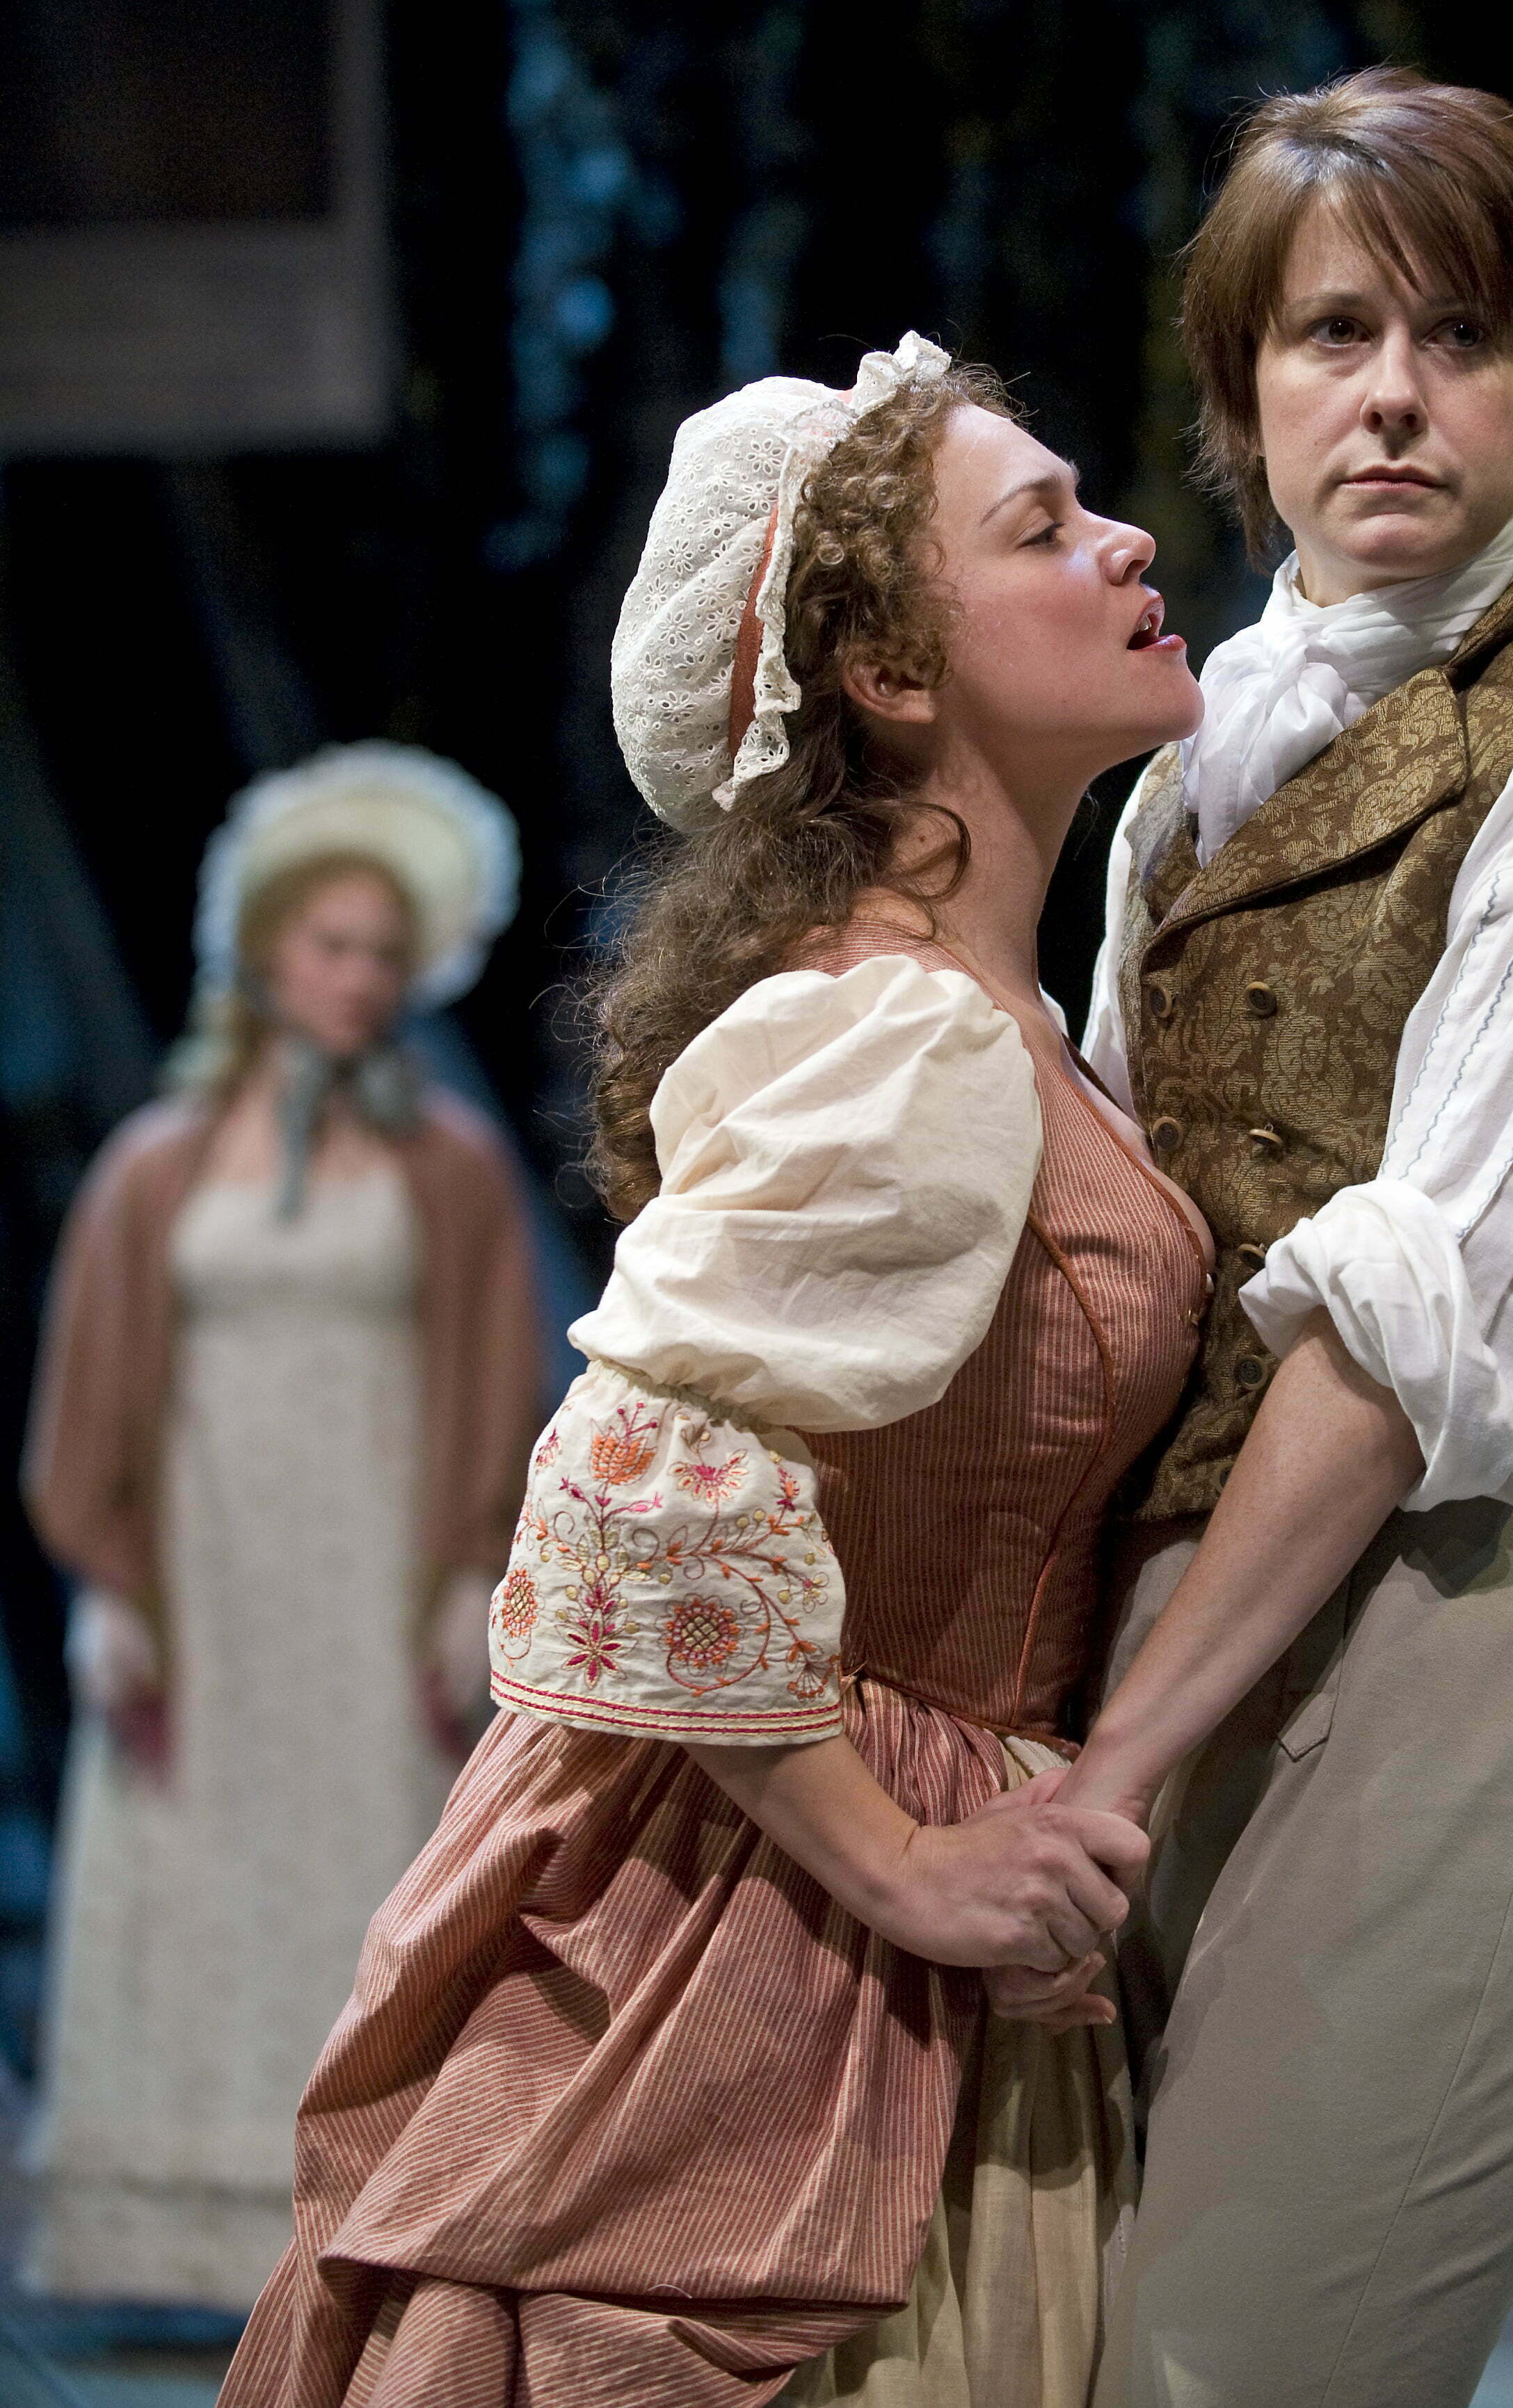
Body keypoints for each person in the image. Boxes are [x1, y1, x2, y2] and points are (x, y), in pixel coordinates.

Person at [214, 333, 1215, 2408]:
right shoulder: (904, 1032)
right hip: (781, 1914)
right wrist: (899, 1855)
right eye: (1040, 525)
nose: (1128, 539)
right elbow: (635, 1476)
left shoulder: (995, 1022)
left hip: (892, 1864)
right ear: (890, 671)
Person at [993, 70, 1513, 2406]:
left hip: (1472, 1635)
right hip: (1174, 1651)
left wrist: (1101, 1771)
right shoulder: (1177, 783)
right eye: (1330, 333)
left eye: (1459, 336)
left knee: (1229, 2372)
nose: (1389, 394)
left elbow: (1397, 1338)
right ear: (1240, 392)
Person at [23, 744, 543, 2310]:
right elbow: (91, 1393)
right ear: (264, 949)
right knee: (195, 1874)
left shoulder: (446, 1166)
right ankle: (184, 2224)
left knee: (370, 1871)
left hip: (372, 1580)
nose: (358, 978)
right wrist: (109, 1587)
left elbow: (496, 1375)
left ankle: (364, 2224)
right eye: (332, 945)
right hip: (210, 1582)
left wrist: (466, 1574)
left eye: (385, 953)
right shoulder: (157, 1165)